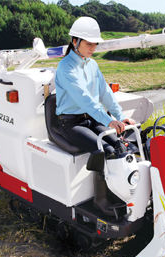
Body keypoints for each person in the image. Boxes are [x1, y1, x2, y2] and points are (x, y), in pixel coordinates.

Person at [55, 17, 135, 216]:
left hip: (90, 119)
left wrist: (119, 116)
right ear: (75, 41)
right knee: (104, 150)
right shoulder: (66, 68)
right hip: (71, 123)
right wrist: (108, 120)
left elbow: (105, 93)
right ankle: (101, 201)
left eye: (95, 44)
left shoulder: (92, 65)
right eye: (88, 43)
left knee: (120, 145)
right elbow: (85, 100)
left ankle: (121, 192)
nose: (93, 48)